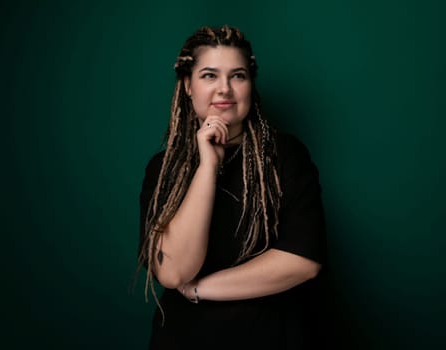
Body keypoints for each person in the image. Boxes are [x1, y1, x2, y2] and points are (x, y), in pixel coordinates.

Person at [137, 25, 328, 349]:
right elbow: (173, 273)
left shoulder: (285, 155)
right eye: (209, 75)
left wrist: (200, 290)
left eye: (237, 76)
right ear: (187, 85)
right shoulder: (163, 167)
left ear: (250, 85)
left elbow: (301, 263)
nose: (224, 89)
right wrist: (208, 166)